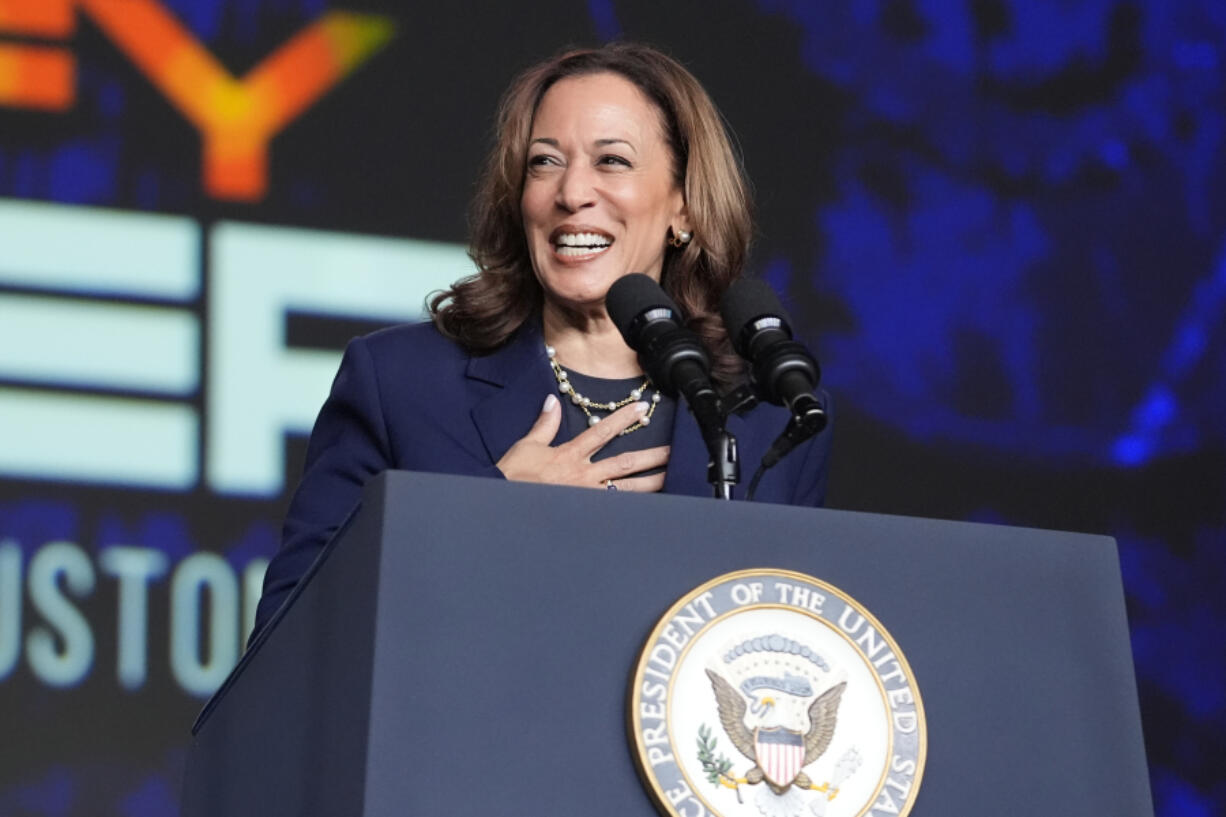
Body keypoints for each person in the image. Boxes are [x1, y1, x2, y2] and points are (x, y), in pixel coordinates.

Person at [251, 43, 832, 638]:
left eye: (612, 162)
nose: (571, 192)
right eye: (544, 162)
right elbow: (290, 633)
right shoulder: (399, 383)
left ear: (682, 206)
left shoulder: (767, 418)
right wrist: (485, 515)